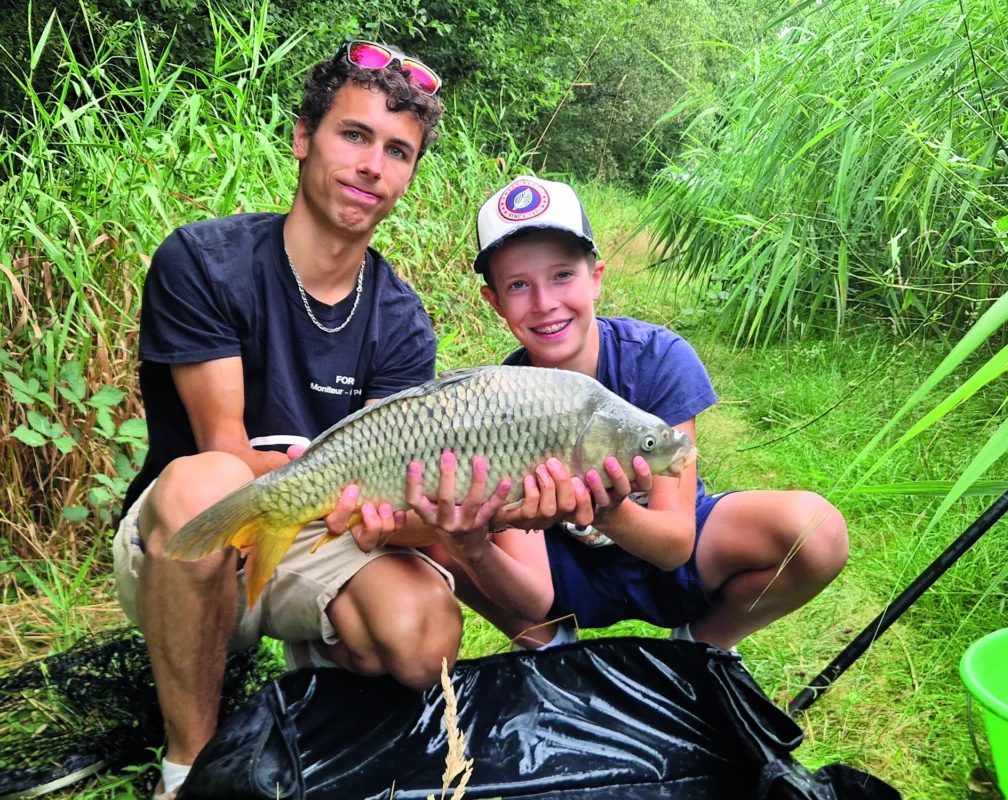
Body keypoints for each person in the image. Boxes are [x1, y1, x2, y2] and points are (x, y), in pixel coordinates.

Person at [112, 41, 470, 799]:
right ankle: (191, 767)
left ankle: (312, 680)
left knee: (425, 629)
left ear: (409, 174)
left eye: (398, 151)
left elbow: (389, 506)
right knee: (208, 479)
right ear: (304, 136)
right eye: (354, 135)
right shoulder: (205, 262)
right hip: (194, 538)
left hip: (319, 534)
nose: (373, 166)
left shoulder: (402, 320)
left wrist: (450, 519)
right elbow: (227, 453)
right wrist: (359, 493)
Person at [419, 176, 850, 654]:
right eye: (519, 285)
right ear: (495, 302)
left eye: (562, 275)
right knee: (433, 531)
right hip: (563, 581)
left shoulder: (659, 358)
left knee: (817, 531)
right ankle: (552, 652)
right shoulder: (504, 398)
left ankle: (700, 650)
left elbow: (674, 547)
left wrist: (607, 511)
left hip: (666, 558)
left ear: (596, 277)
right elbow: (532, 595)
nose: (545, 304)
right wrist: (471, 545)